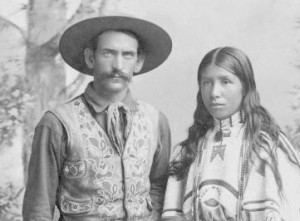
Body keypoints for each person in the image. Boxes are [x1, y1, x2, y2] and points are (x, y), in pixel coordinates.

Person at [23, 15, 172, 221]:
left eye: (127, 55)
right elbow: (38, 208)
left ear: (138, 62)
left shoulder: (156, 121)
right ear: (90, 58)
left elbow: (158, 187)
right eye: (108, 53)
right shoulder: (57, 123)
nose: (118, 65)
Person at [161, 47, 300, 221]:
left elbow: (289, 212)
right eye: (207, 83)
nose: (214, 93)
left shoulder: (268, 147)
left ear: (245, 87)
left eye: (225, 82)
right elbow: (171, 216)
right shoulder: (187, 152)